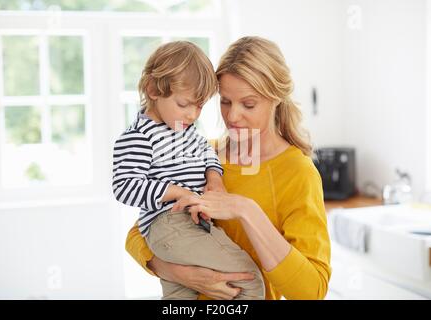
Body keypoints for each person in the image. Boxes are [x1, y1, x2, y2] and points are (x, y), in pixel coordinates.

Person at [125, 36, 332, 300]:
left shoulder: (297, 172)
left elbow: (311, 291)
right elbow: (139, 232)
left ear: (276, 99)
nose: (232, 116)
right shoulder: (203, 154)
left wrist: (245, 210)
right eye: (225, 101)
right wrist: (178, 273)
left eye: (248, 104)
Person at [112, 41, 265, 300]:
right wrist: (176, 192)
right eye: (185, 104)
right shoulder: (139, 137)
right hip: (171, 224)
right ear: (153, 90)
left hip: (191, 224)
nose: (193, 114)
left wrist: (214, 177)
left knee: (181, 300)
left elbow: (207, 153)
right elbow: (124, 187)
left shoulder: (185, 130)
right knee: (249, 281)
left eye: (200, 106)